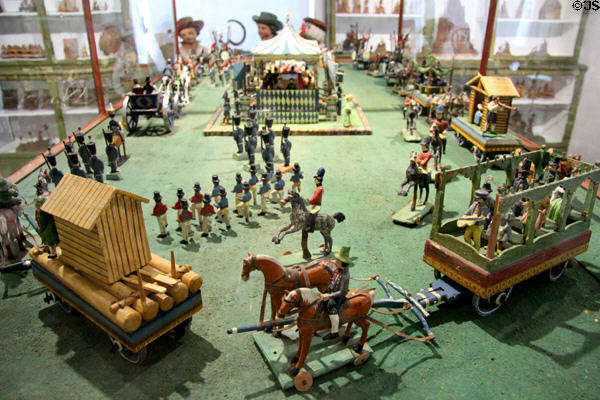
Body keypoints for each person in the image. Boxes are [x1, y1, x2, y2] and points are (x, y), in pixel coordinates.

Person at [320, 245, 352, 340]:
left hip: (338, 296)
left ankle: (334, 331)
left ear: (342, 263)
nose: (335, 261)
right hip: (331, 291)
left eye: (337, 260)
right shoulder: (338, 269)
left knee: (331, 306)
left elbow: (343, 291)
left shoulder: (345, 275)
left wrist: (329, 296)